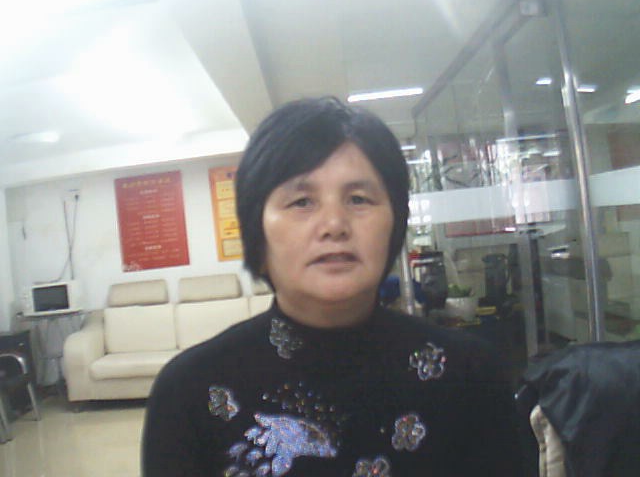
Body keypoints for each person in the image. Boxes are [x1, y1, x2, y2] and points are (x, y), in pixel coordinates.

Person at [142, 97, 522, 476]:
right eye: (302, 202)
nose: (334, 224)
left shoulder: (471, 375)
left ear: (395, 222)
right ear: (257, 232)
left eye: (358, 199)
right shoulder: (189, 391)